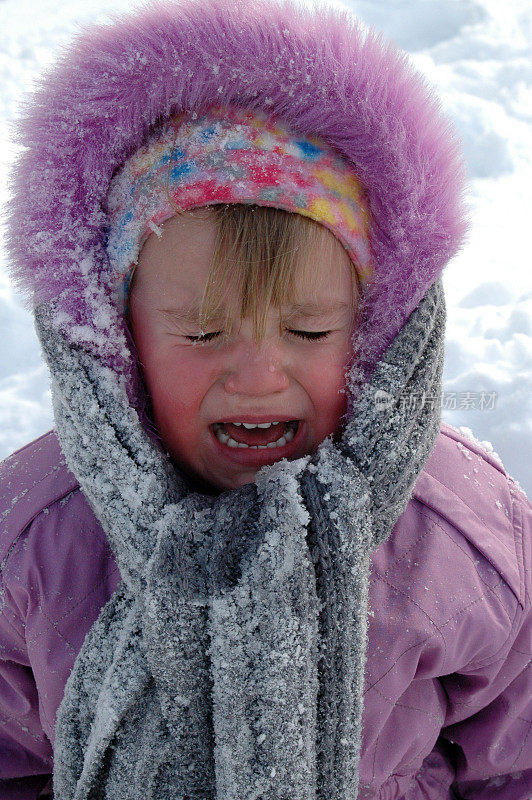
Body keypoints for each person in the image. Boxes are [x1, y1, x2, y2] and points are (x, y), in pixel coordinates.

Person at [0, 0, 530, 798]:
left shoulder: (459, 539)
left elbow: (512, 762)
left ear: (375, 329)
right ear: (116, 338)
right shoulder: (37, 539)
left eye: (311, 333)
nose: (257, 376)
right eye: (203, 334)